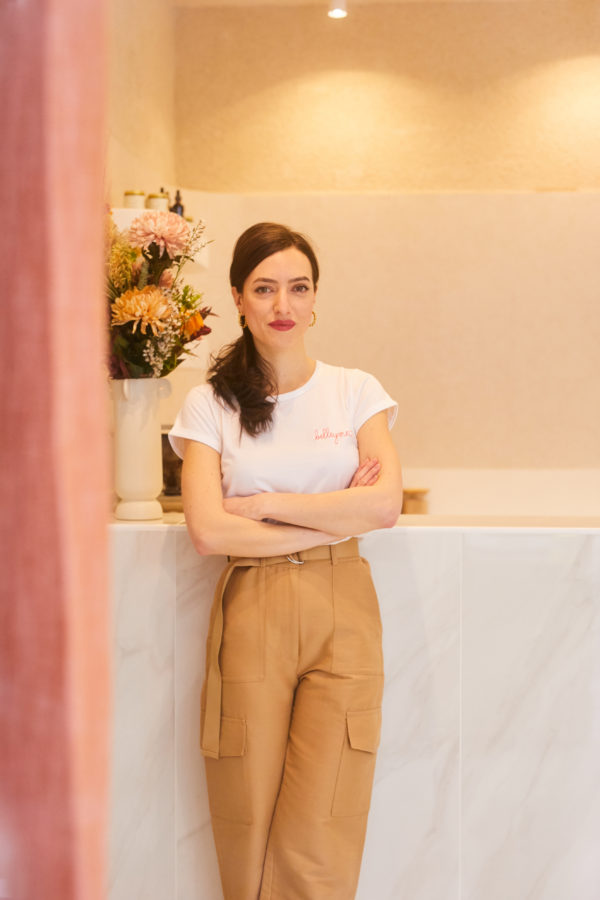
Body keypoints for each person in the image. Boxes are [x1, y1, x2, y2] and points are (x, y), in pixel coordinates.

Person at [169, 222, 403, 900]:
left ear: (315, 299)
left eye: (299, 288)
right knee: (245, 808)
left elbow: (383, 505)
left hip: (344, 611)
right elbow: (209, 531)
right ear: (238, 299)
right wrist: (330, 516)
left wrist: (267, 506)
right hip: (254, 608)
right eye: (265, 288)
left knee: (328, 816)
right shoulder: (209, 403)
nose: (283, 304)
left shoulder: (356, 391)